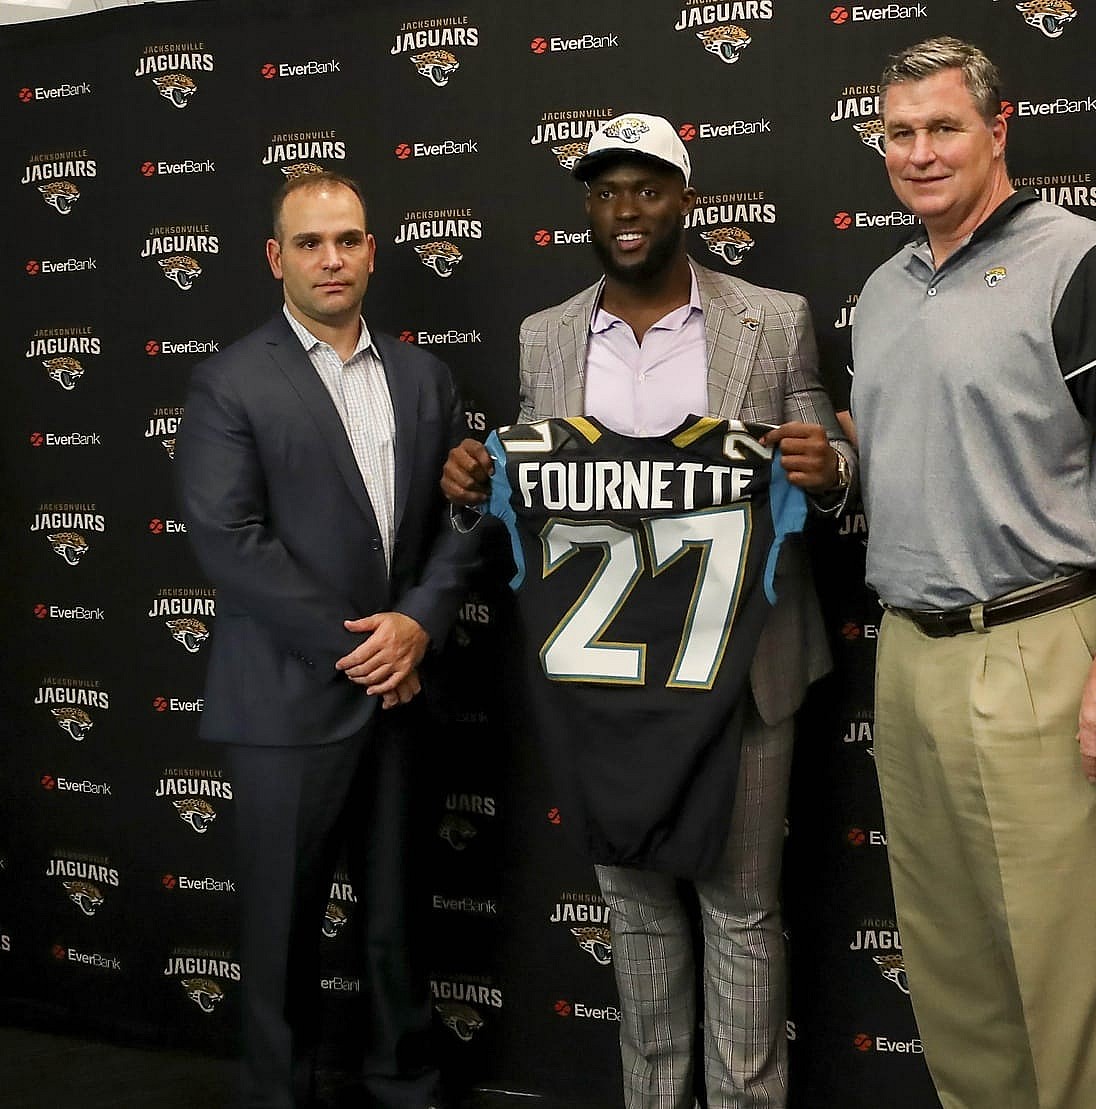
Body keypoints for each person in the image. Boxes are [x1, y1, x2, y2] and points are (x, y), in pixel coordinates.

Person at [441, 113, 852, 1109]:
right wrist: (468, 486)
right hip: (611, 670)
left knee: (740, 906)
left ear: (684, 197)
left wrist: (829, 469)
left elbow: (828, 463)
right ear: (588, 205)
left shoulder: (773, 316)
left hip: (741, 666)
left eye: (647, 187)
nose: (626, 210)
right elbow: (532, 497)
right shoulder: (546, 334)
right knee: (632, 904)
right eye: (606, 190)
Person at [848, 38, 1096, 1109]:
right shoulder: (883, 285)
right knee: (953, 967)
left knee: (1066, 970)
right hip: (910, 651)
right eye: (897, 132)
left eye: (942, 126)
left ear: (999, 129)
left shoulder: (1075, 259)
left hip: (1040, 642)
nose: (918, 151)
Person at [176, 170, 474, 1109]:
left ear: (373, 249)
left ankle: (406, 1087)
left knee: (396, 927)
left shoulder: (426, 377)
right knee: (279, 931)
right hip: (287, 698)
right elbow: (229, 540)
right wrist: (366, 647)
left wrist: (418, 623)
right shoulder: (229, 379)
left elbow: (463, 524)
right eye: (309, 243)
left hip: (403, 698)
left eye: (347, 239)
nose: (331, 258)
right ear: (276, 258)